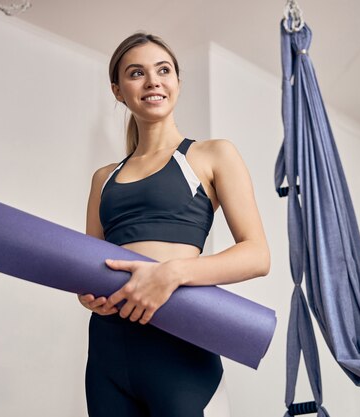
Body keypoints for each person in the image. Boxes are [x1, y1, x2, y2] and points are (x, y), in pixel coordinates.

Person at [77, 32, 270, 417]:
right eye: (136, 73)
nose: (152, 81)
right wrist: (87, 295)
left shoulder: (212, 155)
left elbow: (257, 254)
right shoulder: (104, 177)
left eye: (163, 70)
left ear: (177, 83)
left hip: (182, 347)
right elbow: (89, 263)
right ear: (118, 90)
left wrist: (171, 274)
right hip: (108, 352)